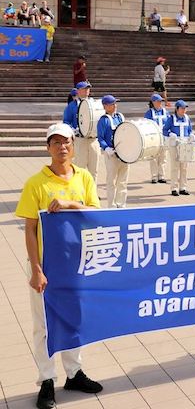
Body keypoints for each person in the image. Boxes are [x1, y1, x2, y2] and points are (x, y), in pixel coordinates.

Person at [16, 122, 104, 409]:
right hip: (48, 268)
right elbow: (30, 229)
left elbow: (95, 213)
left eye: (66, 142)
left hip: (77, 264)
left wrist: (69, 204)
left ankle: (74, 373)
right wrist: (36, 270)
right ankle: (46, 380)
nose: (62, 147)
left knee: (74, 320)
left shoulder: (84, 177)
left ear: (73, 146)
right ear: (48, 148)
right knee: (43, 326)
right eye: (56, 143)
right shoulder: (36, 183)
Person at [64, 81, 100, 182]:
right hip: (80, 140)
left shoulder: (94, 104)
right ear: (78, 91)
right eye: (85, 89)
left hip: (93, 140)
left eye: (88, 89)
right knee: (79, 169)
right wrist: (73, 130)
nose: (87, 91)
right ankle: (80, 194)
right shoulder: (72, 106)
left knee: (94, 170)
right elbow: (66, 122)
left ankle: (92, 195)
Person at [96, 95, 128, 208]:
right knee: (111, 181)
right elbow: (100, 137)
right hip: (111, 153)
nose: (115, 106)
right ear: (105, 106)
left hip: (123, 154)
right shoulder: (103, 120)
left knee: (123, 181)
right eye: (112, 104)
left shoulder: (120, 117)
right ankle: (112, 204)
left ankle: (121, 203)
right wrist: (106, 148)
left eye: (115, 103)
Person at [164, 100, 193, 196]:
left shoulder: (187, 118)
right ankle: (174, 188)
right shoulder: (171, 118)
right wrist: (170, 134)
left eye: (185, 108)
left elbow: (189, 130)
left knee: (184, 167)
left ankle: (183, 187)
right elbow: (164, 130)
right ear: (177, 109)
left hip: (184, 145)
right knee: (175, 167)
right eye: (182, 108)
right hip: (174, 145)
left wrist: (191, 135)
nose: (184, 110)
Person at [144, 94, 169, 184]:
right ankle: (154, 176)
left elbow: (169, 122)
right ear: (153, 102)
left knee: (163, 157)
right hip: (153, 138)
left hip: (164, 137)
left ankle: (161, 176)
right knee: (154, 157)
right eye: (158, 101)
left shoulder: (165, 112)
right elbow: (145, 125)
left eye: (161, 101)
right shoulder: (149, 113)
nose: (160, 103)